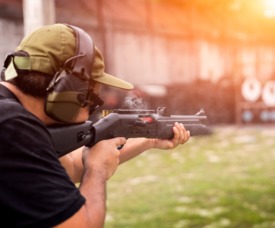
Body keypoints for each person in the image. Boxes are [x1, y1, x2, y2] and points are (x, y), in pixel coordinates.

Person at [0, 23, 190, 228]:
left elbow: (69, 167)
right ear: (68, 91)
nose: (93, 105)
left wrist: (149, 138)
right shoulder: (13, 126)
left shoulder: (10, 118)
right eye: (91, 97)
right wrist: (97, 170)